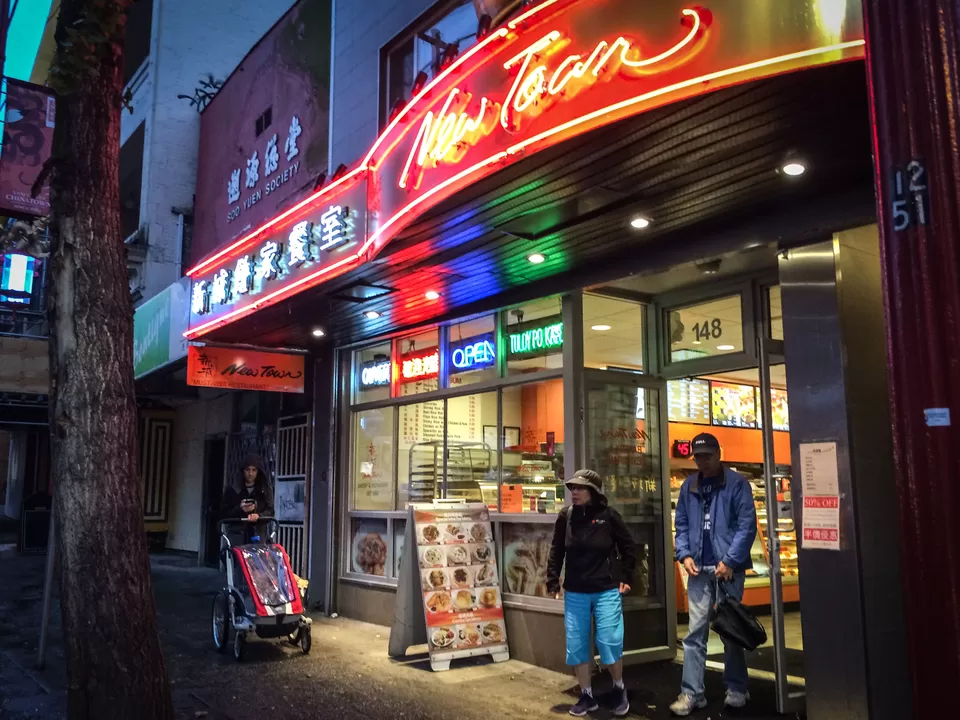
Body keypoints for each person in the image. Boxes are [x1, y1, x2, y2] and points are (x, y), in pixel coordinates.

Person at [670, 433, 758, 716]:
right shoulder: (689, 485)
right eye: (698, 456)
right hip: (698, 570)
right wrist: (684, 554)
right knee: (694, 633)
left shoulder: (737, 484)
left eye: (707, 455)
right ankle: (692, 693)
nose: (703, 461)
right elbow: (682, 523)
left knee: (731, 631)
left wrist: (731, 560)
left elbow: (747, 525)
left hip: (728, 572)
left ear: (719, 454)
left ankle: (737, 688)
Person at [546, 469, 637, 717]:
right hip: (575, 590)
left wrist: (625, 576)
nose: (574, 492)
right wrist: (552, 580)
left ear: (593, 492)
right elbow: (557, 550)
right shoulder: (566, 516)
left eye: (580, 488)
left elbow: (628, 547)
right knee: (576, 644)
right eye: (572, 488)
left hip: (606, 589)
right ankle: (586, 695)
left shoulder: (608, 516)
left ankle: (618, 687)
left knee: (609, 641)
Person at [220, 454, 274, 545]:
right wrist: (240, 509)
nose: (250, 473)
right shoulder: (232, 490)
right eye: (247, 469)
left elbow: (270, 511)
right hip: (237, 537)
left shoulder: (265, 490)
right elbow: (223, 513)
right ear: (243, 470)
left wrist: (258, 516)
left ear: (258, 471)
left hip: (258, 536)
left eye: (254, 470)